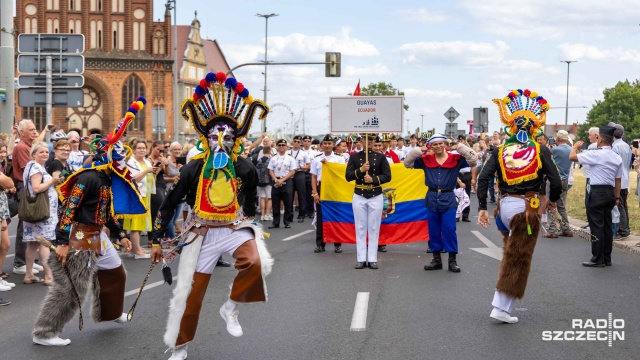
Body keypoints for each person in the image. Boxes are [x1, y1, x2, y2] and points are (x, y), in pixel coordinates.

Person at [152, 72, 273, 360]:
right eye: (215, 136)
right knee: (190, 296)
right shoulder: (193, 168)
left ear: (236, 139)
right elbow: (169, 203)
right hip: (202, 233)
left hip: (232, 227)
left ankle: (230, 306)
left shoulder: (244, 168)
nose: (221, 141)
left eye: (228, 137)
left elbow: (251, 200)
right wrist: (156, 239)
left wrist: (250, 223)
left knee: (255, 262)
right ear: (206, 138)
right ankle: (179, 347)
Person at [32, 98, 145, 346]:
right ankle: (44, 333)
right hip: (80, 234)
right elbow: (68, 210)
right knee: (73, 289)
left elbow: (105, 212)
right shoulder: (89, 178)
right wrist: (62, 242)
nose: (122, 162)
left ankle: (110, 313)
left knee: (115, 273)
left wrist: (120, 234)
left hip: (97, 234)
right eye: (118, 157)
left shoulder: (107, 179)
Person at [478, 89, 561, 324]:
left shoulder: (500, 150)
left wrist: (482, 206)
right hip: (526, 209)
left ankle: (504, 304)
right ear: (534, 129)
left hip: (503, 208)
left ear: (511, 128)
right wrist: (552, 200)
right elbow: (555, 182)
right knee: (519, 257)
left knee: (512, 253)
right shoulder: (540, 149)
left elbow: (484, 178)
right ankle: (500, 307)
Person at [404, 134, 477, 273]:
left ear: (445, 144)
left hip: (448, 196)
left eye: (440, 143)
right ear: (431, 146)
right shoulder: (426, 159)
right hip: (432, 196)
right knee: (434, 229)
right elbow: (407, 163)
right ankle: (436, 259)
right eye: (434, 144)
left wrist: (458, 146)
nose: (438, 146)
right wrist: (421, 149)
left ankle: (452, 260)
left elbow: (473, 160)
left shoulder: (456, 158)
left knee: (449, 229)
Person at [569, 126, 622, 267]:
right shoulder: (617, 157)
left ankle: (597, 258)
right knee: (607, 225)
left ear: (601, 139)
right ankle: (606, 257)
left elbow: (572, 157)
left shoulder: (596, 154)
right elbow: (618, 180)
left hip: (597, 191)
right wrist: (617, 197)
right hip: (610, 192)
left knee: (596, 225)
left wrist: (574, 147)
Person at [346, 134, 392, 269]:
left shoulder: (381, 157)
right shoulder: (354, 157)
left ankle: (372, 259)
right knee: (360, 228)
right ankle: (361, 258)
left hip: (375, 194)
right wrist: (360, 170)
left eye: (372, 140)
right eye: (367, 139)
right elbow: (348, 176)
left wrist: (374, 179)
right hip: (359, 194)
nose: (370, 142)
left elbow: (387, 176)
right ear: (361, 141)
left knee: (373, 227)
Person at [22, 142, 62, 285]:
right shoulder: (36, 167)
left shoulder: (30, 166)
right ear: (33, 154)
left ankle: (29, 274)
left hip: (34, 210)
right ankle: (48, 276)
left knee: (33, 244)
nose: (45, 154)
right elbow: (37, 188)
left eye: (46, 152)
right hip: (42, 211)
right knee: (44, 243)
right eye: (41, 152)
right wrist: (53, 180)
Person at [11, 120, 41, 276]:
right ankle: (20, 262)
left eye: (35, 129)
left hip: (30, 187)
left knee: (32, 224)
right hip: (26, 187)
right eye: (31, 130)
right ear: (22, 132)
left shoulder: (30, 147)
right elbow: (30, 169)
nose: (35, 132)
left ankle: (30, 260)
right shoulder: (21, 147)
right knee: (25, 224)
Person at [311, 134, 345, 254]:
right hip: (321, 187)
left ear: (333, 145)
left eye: (329, 143)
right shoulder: (316, 158)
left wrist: (329, 166)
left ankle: (337, 244)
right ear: (321, 145)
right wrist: (315, 193)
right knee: (320, 217)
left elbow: (341, 174)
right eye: (325, 143)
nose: (327, 146)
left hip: (334, 188)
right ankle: (320, 244)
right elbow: (313, 177)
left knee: (336, 217)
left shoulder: (339, 158)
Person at [124, 140, 157, 259]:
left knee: (141, 223)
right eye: (139, 148)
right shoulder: (130, 162)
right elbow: (132, 179)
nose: (142, 150)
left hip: (146, 195)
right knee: (136, 225)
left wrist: (155, 171)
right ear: (134, 150)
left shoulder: (147, 162)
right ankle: (137, 252)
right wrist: (146, 171)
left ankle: (135, 248)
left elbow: (151, 178)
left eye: (144, 148)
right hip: (137, 195)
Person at [546, 130, 573, 237]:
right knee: (561, 205)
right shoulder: (571, 149)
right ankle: (566, 228)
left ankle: (552, 229)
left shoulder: (555, 150)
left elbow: (548, 160)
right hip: (565, 178)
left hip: (554, 179)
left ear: (557, 138)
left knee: (551, 203)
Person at [608, 122, 631, 240]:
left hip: (619, 180)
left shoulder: (615, 146)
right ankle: (626, 228)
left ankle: (623, 230)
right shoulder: (626, 145)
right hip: (626, 178)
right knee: (624, 205)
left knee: (619, 206)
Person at [268, 139, 297, 229]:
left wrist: (283, 179)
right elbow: (270, 170)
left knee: (287, 202)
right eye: (279, 145)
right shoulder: (273, 158)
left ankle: (287, 221)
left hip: (287, 180)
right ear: (276, 147)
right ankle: (275, 222)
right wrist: (276, 179)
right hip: (276, 180)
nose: (281, 147)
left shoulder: (290, 158)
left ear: (287, 147)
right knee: (275, 202)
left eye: (283, 145)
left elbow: (292, 171)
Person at [0, 143, 15, 295]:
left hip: (2, 209)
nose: (3, 154)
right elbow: (9, 182)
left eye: (4, 152)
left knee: (5, 245)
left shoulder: (1, 166)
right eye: (0, 152)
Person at [148, 140, 169, 247]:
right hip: (153, 186)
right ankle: (152, 237)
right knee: (155, 212)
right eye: (158, 149)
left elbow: (167, 173)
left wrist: (166, 164)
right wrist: (159, 166)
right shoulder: (149, 160)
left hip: (161, 185)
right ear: (153, 148)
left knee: (159, 211)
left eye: (162, 149)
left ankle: (157, 236)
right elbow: (152, 175)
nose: (160, 151)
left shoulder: (161, 158)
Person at [288, 135, 310, 223]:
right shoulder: (288, 152)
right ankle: (289, 215)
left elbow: (308, 165)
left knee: (301, 195)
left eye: (298, 142)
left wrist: (300, 166)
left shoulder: (304, 153)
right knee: (289, 195)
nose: (296, 143)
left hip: (300, 173)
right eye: (295, 141)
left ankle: (301, 215)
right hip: (290, 174)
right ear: (292, 142)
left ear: (300, 143)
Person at [164, 142, 183, 237]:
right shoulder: (167, 162)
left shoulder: (182, 162)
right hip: (169, 192)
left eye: (179, 149)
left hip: (180, 192)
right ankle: (172, 237)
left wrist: (183, 169)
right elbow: (160, 178)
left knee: (175, 217)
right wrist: (171, 179)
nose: (177, 151)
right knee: (169, 217)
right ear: (171, 151)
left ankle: (168, 237)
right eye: (175, 149)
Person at [256, 145, 274, 222]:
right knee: (269, 198)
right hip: (268, 181)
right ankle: (267, 214)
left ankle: (262, 215)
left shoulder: (259, 160)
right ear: (269, 151)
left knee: (262, 197)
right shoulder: (271, 160)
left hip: (260, 182)